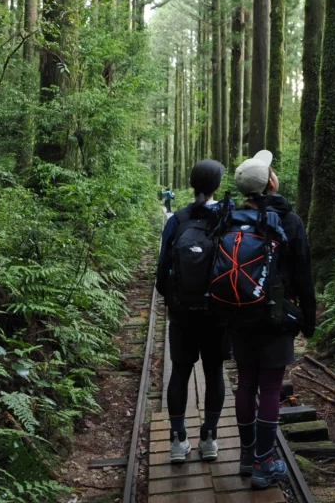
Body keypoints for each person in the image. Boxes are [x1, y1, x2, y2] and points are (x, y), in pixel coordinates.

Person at [228, 150, 316, 489]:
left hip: (239, 314)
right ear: (271, 182)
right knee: (269, 386)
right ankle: (266, 462)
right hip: (277, 314)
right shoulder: (289, 220)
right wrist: (309, 318)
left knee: (246, 381)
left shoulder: (233, 218)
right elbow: (304, 272)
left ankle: (247, 456)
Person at [155, 161, 228, 463]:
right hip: (216, 311)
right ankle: (209, 438)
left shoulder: (178, 219)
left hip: (183, 312)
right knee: (214, 372)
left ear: (191, 184)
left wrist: (173, 297)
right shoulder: (227, 218)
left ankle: (176, 440)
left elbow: (161, 273)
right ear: (217, 186)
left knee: (180, 372)